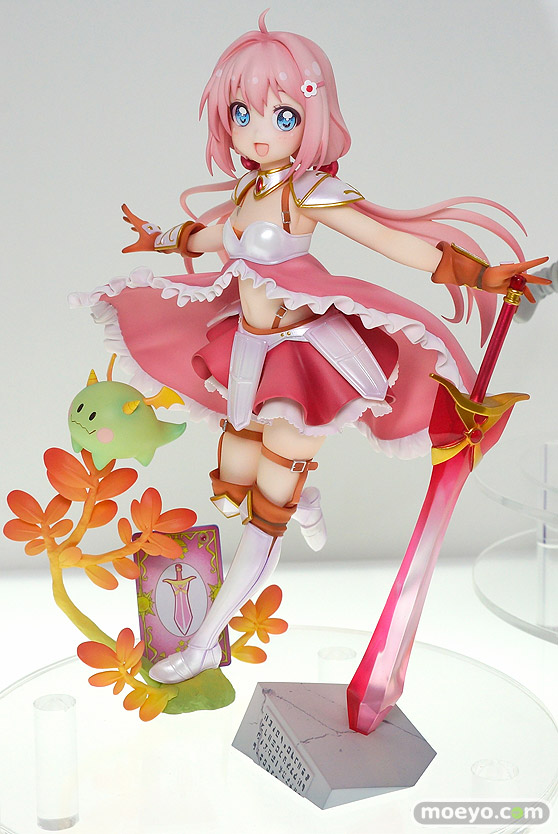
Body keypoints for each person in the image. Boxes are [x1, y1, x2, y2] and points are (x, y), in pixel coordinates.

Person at [69, 12, 548, 684]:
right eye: (242, 113)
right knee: (230, 488)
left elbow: (392, 242)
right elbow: (213, 237)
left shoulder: (310, 191)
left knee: (262, 518)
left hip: (301, 366)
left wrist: (483, 275)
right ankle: (303, 495)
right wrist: (160, 238)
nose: (258, 130)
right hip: (246, 355)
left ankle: (204, 641)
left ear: (311, 119)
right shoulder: (249, 187)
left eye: (283, 114)